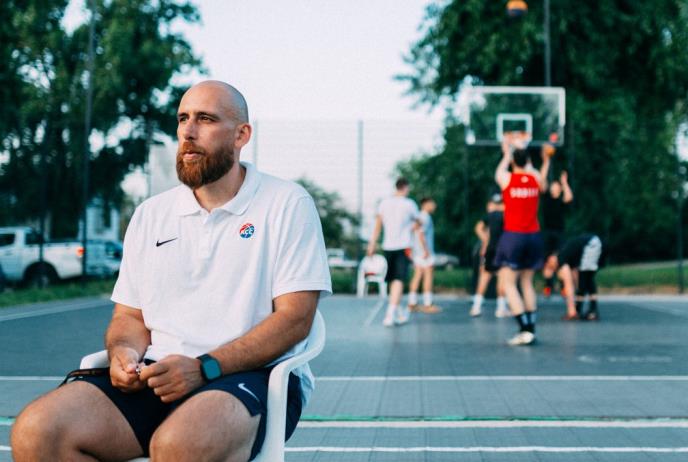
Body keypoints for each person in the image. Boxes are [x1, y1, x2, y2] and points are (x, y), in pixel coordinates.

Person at [11, 81, 332, 462]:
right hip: (158, 374)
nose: (188, 132)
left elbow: (295, 320)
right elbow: (130, 316)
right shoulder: (151, 214)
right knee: (36, 432)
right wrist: (124, 352)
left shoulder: (287, 203)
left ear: (241, 135)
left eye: (206, 119)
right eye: (183, 119)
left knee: (179, 445)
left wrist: (204, 368)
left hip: (253, 375)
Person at [494, 133, 550, 346]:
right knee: (527, 282)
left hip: (513, 236)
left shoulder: (507, 179)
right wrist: (524, 151)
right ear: (527, 161)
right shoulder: (535, 179)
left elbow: (501, 169)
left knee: (509, 284)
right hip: (533, 236)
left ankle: (524, 329)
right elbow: (539, 179)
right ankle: (531, 328)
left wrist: (507, 151)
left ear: (513, 162)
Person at [367, 178, 429, 327]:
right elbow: (420, 222)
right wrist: (412, 227)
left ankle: (397, 309)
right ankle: (390, 314)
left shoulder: (384, 203)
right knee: (398, 279)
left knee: (393, 279)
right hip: (403, 246)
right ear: (405, 187)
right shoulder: (410, 204)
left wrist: (372, 243)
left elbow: (378, 225)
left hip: (388, 246)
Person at [543, 233, 603, 321]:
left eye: (550, 266)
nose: (553, 268)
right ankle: (585, 310)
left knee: (586, 278)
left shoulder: (561, 258)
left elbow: (568, 284)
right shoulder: (568, 255)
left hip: (590, 244)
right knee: (586, 278)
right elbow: (575, 279)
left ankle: (578, 311)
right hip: (593, 243)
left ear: (550, 258)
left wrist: (570, 308)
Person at [470, 192, 509, 318]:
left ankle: (476, 307)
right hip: (503, 249)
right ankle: (501, 309)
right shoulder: (507, 216)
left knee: (484, 277)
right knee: (502, 278)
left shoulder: (490, 216)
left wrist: (486, 240)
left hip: (490, 249)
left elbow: (478, 228)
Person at [541, 170, 574, 296]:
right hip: (548, 234)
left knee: (560, 260)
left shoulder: (561, 202)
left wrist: (564, 183)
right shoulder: (546, 199)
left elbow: (569, 197)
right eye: (553, 186)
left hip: (559, 234)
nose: (554, 187)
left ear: (559, 189)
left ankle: (563, 286)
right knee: (548, 261)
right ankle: (548, 286)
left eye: (556, 186)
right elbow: (542, 182)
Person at [407, 197, 441, 314]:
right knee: (428, 276)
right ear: (426, 204)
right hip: (424, 252)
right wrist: (425, 250)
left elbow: (414, 230)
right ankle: (427, 304)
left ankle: (412, 304)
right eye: (432, 203)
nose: (434, 206)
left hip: (417, 252)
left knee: (417, 276)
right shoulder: (425, 217)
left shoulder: (419, 216)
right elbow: (421, 234)